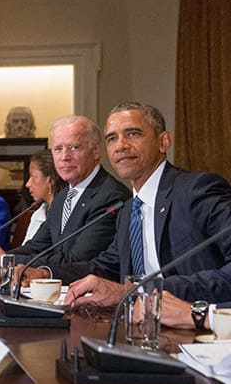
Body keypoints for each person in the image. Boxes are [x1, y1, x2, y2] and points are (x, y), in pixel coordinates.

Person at [45, 102, 231, 325]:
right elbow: (105, 268)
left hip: (200, 332)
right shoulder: (127, 211)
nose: (120, 146)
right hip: (139, 330)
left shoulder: (198, 190)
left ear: (163, 142)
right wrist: (44, 273)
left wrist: (141, 290)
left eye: (133, 134)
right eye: (112, 138)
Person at [11, 116, 128, 264]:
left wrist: (16, 262)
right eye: (58, 149)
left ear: (96, 151)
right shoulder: (62, 197)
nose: (64, 157)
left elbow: (75, 260)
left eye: (74, 147)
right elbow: (37, 246)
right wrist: (1, 259)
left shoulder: (110, 197)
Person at [20, 150, 64, 243]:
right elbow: (27, 250)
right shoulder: (38, 213)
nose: (28, 184)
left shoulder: (65, 213)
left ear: (50, 180)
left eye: (33, 177)